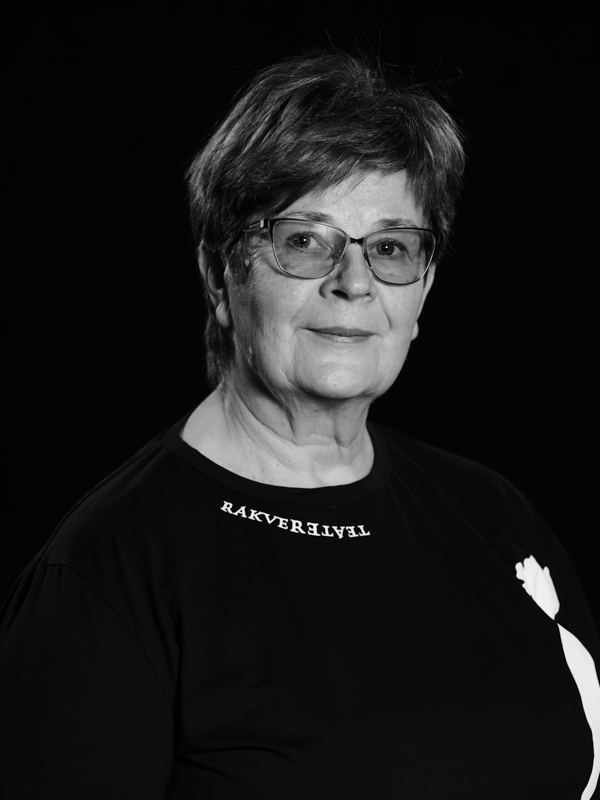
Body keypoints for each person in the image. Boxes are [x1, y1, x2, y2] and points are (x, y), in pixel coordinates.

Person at [1, 48, 599, 799]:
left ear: (423, 290)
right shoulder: (108, 575)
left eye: (390, 248)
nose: (354, 283)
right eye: (305, 241)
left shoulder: (493, 517)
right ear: (221, 274)